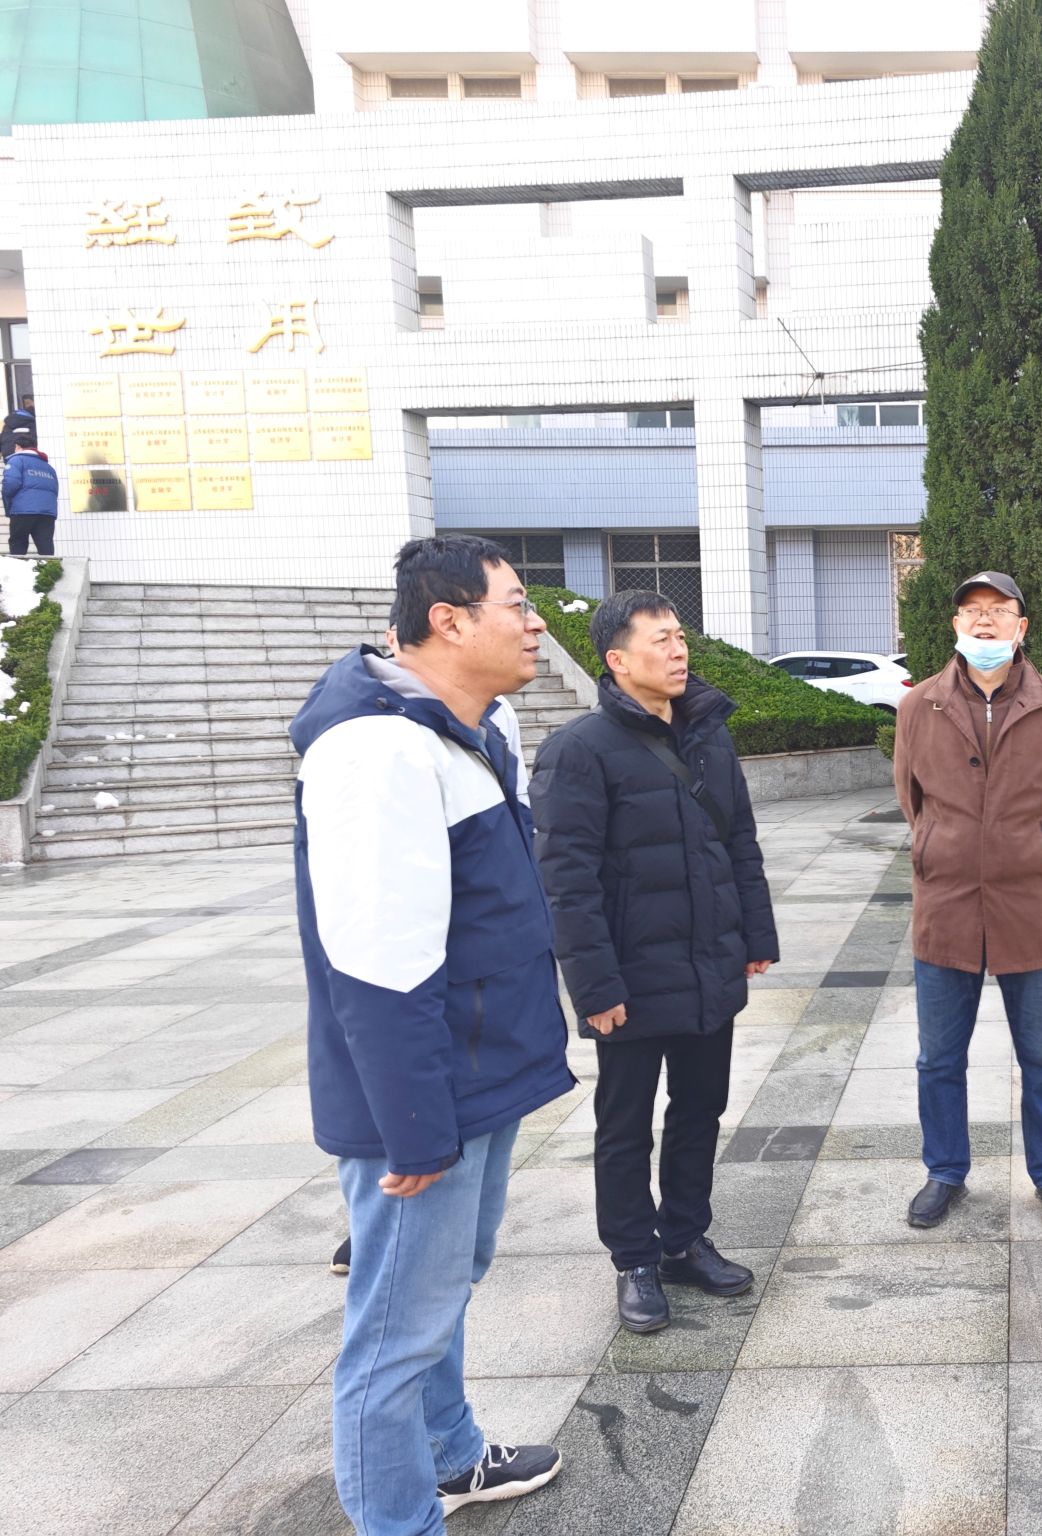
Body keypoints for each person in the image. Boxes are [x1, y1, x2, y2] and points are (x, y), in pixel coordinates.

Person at [292, 535, 574, 1531]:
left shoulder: (474, 724)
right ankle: (397, 1518)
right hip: (424, 1091)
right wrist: (411, 1126)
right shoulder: (378, 751)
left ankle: (452, 1456)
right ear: (448, 621)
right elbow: (375, 959)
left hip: (478, 1066)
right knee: (393, 1335)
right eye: (517, 605)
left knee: (445, 1285)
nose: (535, 624)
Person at [530, 591, 778, 1334]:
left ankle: (684, 1240)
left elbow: (739, 842)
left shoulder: (709, 734)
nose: (678, 651)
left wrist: (755, 936)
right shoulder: (578, 750)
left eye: (680, 637)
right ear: (616, 660)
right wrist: (594, 986)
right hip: (631, 979)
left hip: (707, 966)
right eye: (660, 640)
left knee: (701, 1109)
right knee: (625, 1124)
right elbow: (567, 883)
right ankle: (635, 1260)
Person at [893, 570, 1042, 1230]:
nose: (984, 621)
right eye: (972, 611)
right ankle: (945, 1171)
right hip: (945, 905)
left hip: (1030, 905)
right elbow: (911, 798)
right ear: (954, 625)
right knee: (938, 1058)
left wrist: (1028, 844)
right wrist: (942, 844)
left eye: (999, 610)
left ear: (1020, 626)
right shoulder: (920, 705)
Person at [3, 431, 57, 557]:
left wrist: (8, 506)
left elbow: (10, 484)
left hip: (22, 511)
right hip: (47, 513)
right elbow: (55, 490)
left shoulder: (16, 460)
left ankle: (17, 569)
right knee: (46, 548)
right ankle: (51, 569)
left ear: (17, 446)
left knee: (18, 545)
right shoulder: (48, 467)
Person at [1, 393, 31, 458]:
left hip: (8, 457)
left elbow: (2, 439)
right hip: (26, 455)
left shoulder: (8, 425)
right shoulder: (32, 422)